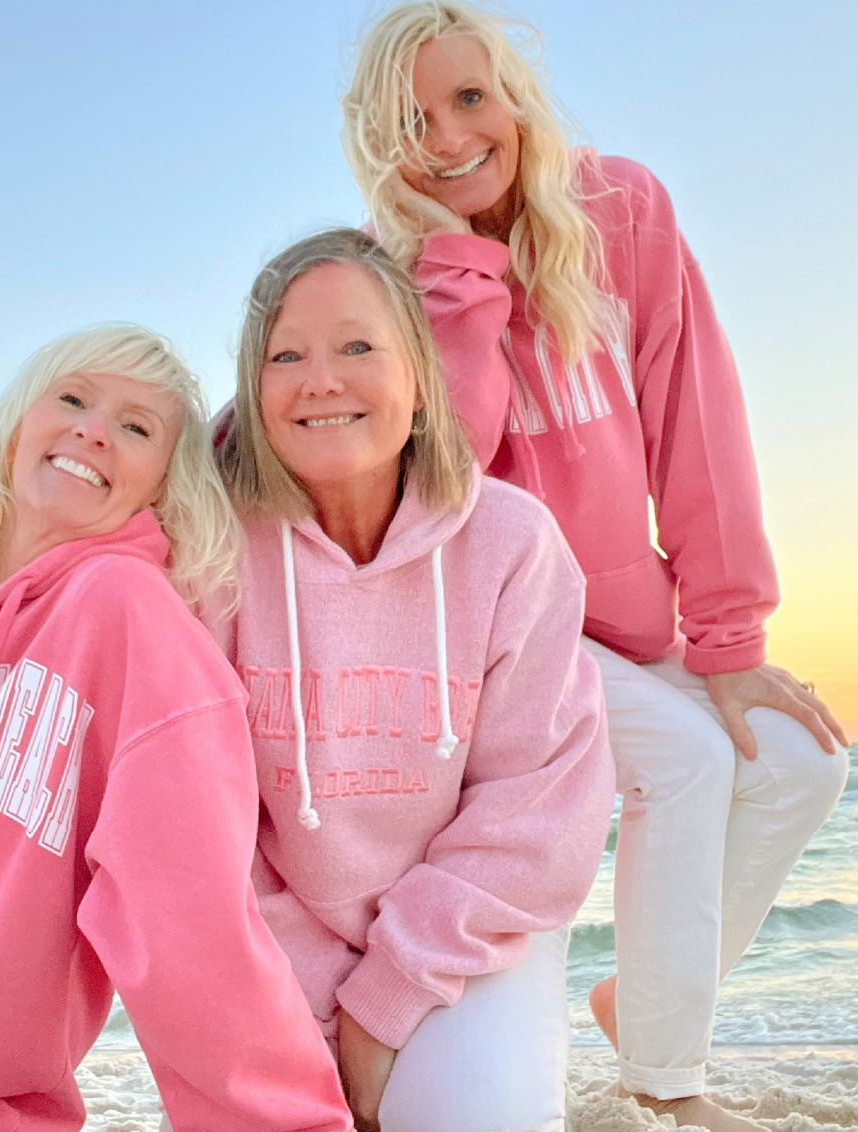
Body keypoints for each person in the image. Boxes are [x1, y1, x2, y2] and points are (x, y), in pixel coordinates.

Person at [341, 4, 851, 1129]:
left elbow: (698, 422)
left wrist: (730, 642)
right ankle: (667, 1089)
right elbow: (447, 482)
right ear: (379, 146)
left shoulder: (624, 208)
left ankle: (644, 1004)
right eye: (410, 121)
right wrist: (458, 273)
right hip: (499, 632)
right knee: (681, 759)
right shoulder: (389, 281)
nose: (448, 137)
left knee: (800, 765)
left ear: (514, 96)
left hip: (629, 616)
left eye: (470, 99)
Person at [0, 324, 353, 1132]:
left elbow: (192, 934)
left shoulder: (132, 625)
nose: (93, 429)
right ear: (19, 423)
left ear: (161, 485)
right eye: (75, 398)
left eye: (136, 426)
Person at [212, 227, 614, 1132]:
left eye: (357, 346)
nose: (322, 379)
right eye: (286, 354)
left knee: (482, 1117)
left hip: (467, 932)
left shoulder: (513, 546)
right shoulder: (211, 556)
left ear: (421, 378)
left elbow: (538, 808)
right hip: (268, 948)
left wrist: (381, 999)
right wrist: (312, 1001)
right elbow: (199, 823)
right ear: (254, 384)